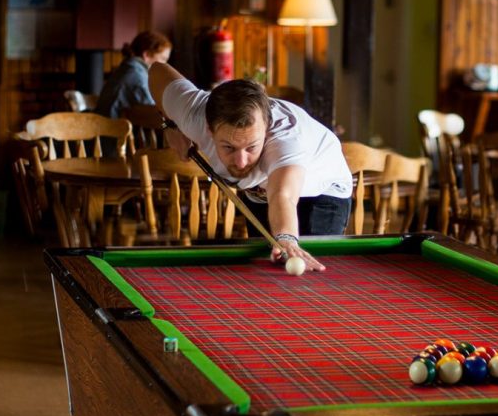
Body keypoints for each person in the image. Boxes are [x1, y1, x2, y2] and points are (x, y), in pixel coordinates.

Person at [149, 62, 352, 272]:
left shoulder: (286, 141)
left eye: (251, 147)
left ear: (266, 128)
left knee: (306, 271)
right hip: (261, 192)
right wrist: (169, 124)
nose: (241, 161)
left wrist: (286, 238)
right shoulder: (194, 113)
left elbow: (283, 195)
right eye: (229, 147)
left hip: (323, 190)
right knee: (266, 269)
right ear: (209, 129)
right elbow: (157, 71)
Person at [95, 31, 173, 119]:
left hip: (108, 127)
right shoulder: (137, 75)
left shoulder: (127, 68)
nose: (165, 64)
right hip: (113, 130)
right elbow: (155, 115)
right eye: (163, 59)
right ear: (146, 55)